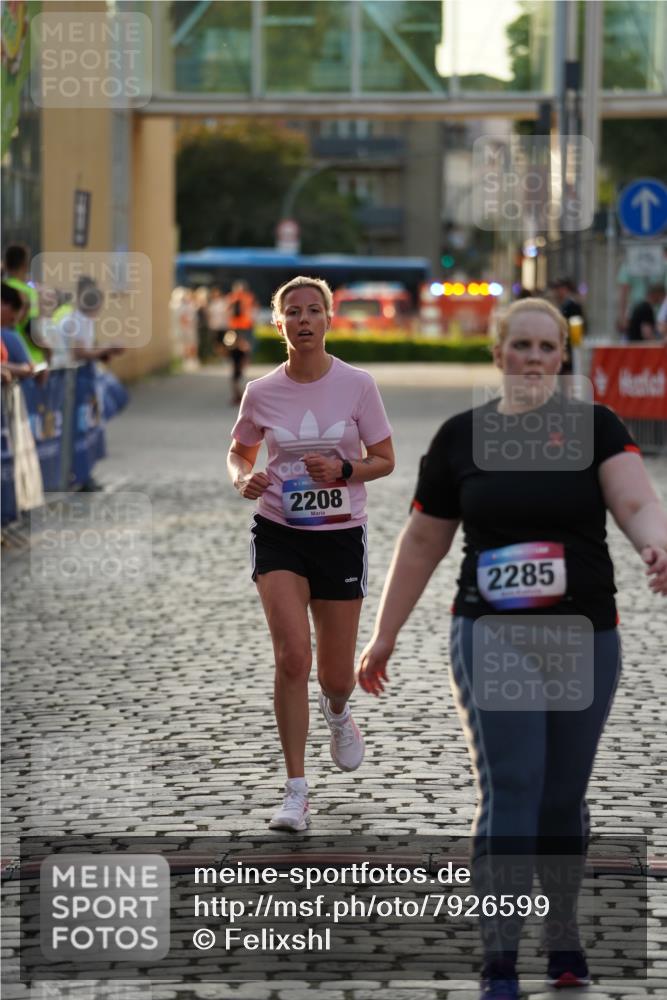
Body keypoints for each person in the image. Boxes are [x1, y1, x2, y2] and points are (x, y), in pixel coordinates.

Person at [358, 297, 667, 1000]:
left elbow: (635, 502)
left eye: (546, 347)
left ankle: (561, 936)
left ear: (562, 357)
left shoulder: (596, 427)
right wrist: (384, 634)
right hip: (492, 633)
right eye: (520, 345)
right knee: (515, 786)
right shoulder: (461, 438)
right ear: (497, 354)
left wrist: (656, 544)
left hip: (585, 634)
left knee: (562, 796)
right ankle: (499, 956)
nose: (533, 358)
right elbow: (423, 542)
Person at [227, 275, 394, 832]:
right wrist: (243, 478)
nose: (303, 320)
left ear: (328, 318)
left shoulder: (358, 385)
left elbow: (385, 459)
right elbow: (239, 452)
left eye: (313, 310)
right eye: (293, 312)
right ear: (279, 324)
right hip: (280, 530)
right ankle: (295, 791)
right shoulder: (261, 392)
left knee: (336, 675)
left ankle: (338, 710)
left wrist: (344, 469)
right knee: (293, 657)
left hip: (341, 535)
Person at [3, 243, 47, 363]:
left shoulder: (3, 288)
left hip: (5, 356)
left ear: (6, 264)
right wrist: (47, 349)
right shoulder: (28, 292)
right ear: (25, 265)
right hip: (29, 358)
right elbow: (31, 329)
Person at [224, 280, 257, 404]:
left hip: (240, 329)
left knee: (238, 357)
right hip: (241, 329)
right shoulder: (246, 298)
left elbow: (227, 312)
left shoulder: (234, 298)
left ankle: (238, 391)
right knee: (240, 356)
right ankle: (238, 391)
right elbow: (252, 312)